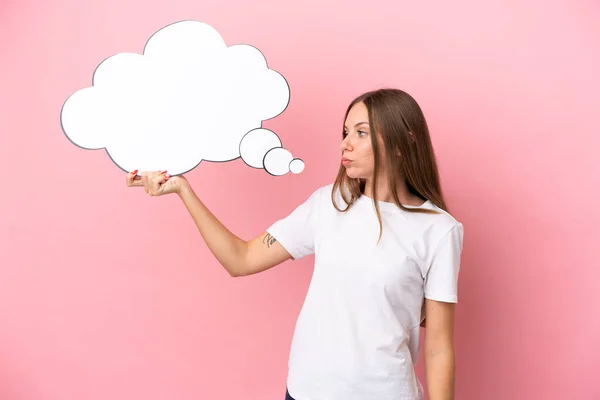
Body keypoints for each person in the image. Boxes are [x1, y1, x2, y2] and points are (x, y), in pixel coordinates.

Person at [126, 88, 464, 400]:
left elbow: (438, 348)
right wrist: (184, 189)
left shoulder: (438, 230)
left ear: (403, 142)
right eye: (345, 132)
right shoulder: (327, 205)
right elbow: (240, 259)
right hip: (305, 391)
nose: (345, 143)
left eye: (360, 133)